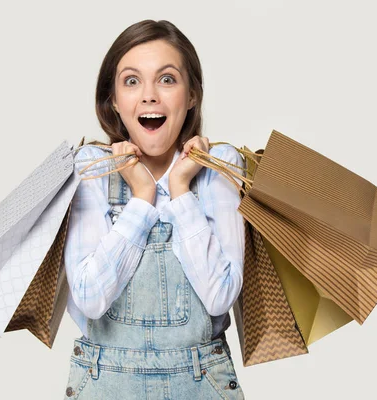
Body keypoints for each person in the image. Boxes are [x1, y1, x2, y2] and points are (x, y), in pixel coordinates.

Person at [62, 19, 246, 399]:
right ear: (113, 100)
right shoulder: (91, 168)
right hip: (104, 383)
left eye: (166, 79)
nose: (149, 96)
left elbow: (220, 296)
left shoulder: (219, 167)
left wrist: (180, 192)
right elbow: (89, 298)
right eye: (132, 81)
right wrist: (142, 198)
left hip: (201, 384)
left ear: (192, 94)